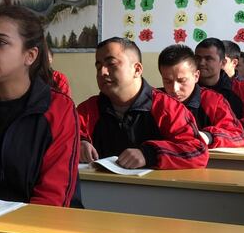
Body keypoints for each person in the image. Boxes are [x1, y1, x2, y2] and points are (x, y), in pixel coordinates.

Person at [0, 6, 80, 207]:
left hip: (39, 231)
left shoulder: (58, 110)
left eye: (1, 42)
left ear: (30, 55)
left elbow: (53, 198)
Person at [76, 37, 207, 169]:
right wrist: (79, 143)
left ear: (137, 69)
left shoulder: (166, 107)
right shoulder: (87, 110)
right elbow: (67, 135)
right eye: (98, 67)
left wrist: (149, 154)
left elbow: (197, 151)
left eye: (111, 64)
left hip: (153, 188)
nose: (102, 72)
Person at [158, 44, 244, 148]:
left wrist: (208, 136)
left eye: (182, 81)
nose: (174, 89)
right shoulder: (156, 101)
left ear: (196, 76)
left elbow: (238, 135)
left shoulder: (213, 101)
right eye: (167, 81)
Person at [195, 38, 244, 135]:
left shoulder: (243, 89)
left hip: (232, 143)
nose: (201, 63)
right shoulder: (186, 88)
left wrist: (229, 128)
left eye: (208, 59)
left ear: (223, 62)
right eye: (197, 58)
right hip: (191, 144)